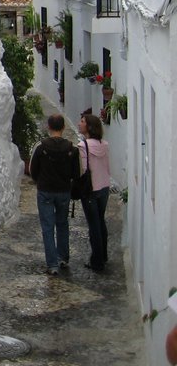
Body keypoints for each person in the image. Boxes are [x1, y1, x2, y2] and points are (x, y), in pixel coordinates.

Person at [29, 113, 79, 275]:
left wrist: (40, 181)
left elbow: (33, 169)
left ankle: (52, 264)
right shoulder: (72, 148)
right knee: (62, 224)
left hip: (45, 191)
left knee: (47, 227)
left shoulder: (41, 147)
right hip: (63, 191)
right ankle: (62, 257)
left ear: (48, 127)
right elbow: (76, 173)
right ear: (63, 127)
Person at [78, 113, 110, 271]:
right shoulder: (104, 144)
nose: (79, 123)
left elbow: (83, 169)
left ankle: (96, 261)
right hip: (104, 187)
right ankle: (103, 255)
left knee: (94, 226)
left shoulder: (83, 146)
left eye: (83, 121)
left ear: (89, 126)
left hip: (90, 189)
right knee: (100, 221)